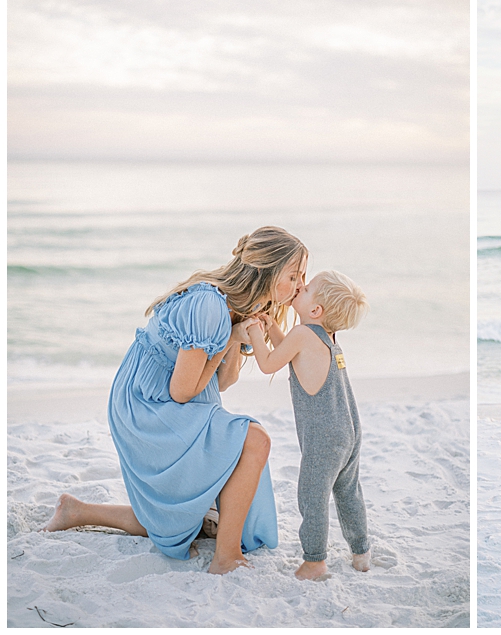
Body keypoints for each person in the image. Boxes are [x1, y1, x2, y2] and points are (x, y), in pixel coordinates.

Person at [43, 226, 308, 574]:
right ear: (267, 271)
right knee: (255, 440)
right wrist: (228, 335)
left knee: (188, 517)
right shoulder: (210, 305)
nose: (301, 285)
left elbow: (223, 383)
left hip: (174, 399)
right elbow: (180, 392)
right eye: (294, 275)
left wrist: (233, 340)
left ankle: (77, 511)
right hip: (148, 405)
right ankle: (226, 558)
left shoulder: (239, 307)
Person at [243, 269, 372, 581]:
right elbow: (291, 353)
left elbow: (269, 363)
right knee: (348, 491)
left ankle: (315, 562)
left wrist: (256, 333)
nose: (299, 286)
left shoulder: (303, 335)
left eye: (306, 287)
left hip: (325, 439)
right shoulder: (325, 338)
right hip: (349, 431)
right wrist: (273, 326)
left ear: (316, 310)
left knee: (312, 496)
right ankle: (361, 552)